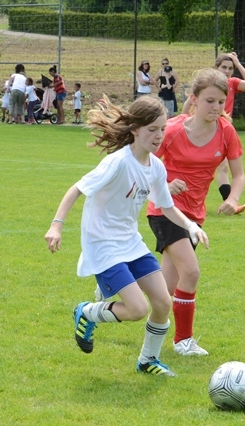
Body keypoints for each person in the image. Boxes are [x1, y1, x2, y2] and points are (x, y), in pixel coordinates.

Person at [44, 95, 209, 376]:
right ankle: (87, 312)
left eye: (162, 129)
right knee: (137, 309)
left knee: (162, 302)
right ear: (134, 130)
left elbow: (166, 206)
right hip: (103, 245)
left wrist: (191, 226)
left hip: (130, 242)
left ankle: (148, 360)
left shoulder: (156, 166)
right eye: (152, 130)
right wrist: (56, 225)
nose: (159, 136)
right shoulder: (118, 162)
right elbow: (77, 189)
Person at [146, 68, 245, 357]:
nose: (216, 107)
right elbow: (142, 168)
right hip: (165, 210)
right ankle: (183, 341)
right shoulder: (173, 130)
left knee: (164, 290)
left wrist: (233, 198)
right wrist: (166, 185)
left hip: (194, 217)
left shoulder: (226, 132)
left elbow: (238, 175)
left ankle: (106, 296)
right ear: (194, 99)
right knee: (191, 272)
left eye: (220, 102)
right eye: (209, 101)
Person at [183, 52, 245, 214]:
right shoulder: (207, 86)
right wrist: (183, 120)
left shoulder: (232, 83)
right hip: (205, 129)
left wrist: (238, 63)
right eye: (224, 67)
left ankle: (229, 201)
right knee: (211, 168)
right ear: (216, 68)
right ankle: (225, 201)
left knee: (223, 168)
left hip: (222, 131)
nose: (227, 71)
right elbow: (189, 103)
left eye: (230, 68)